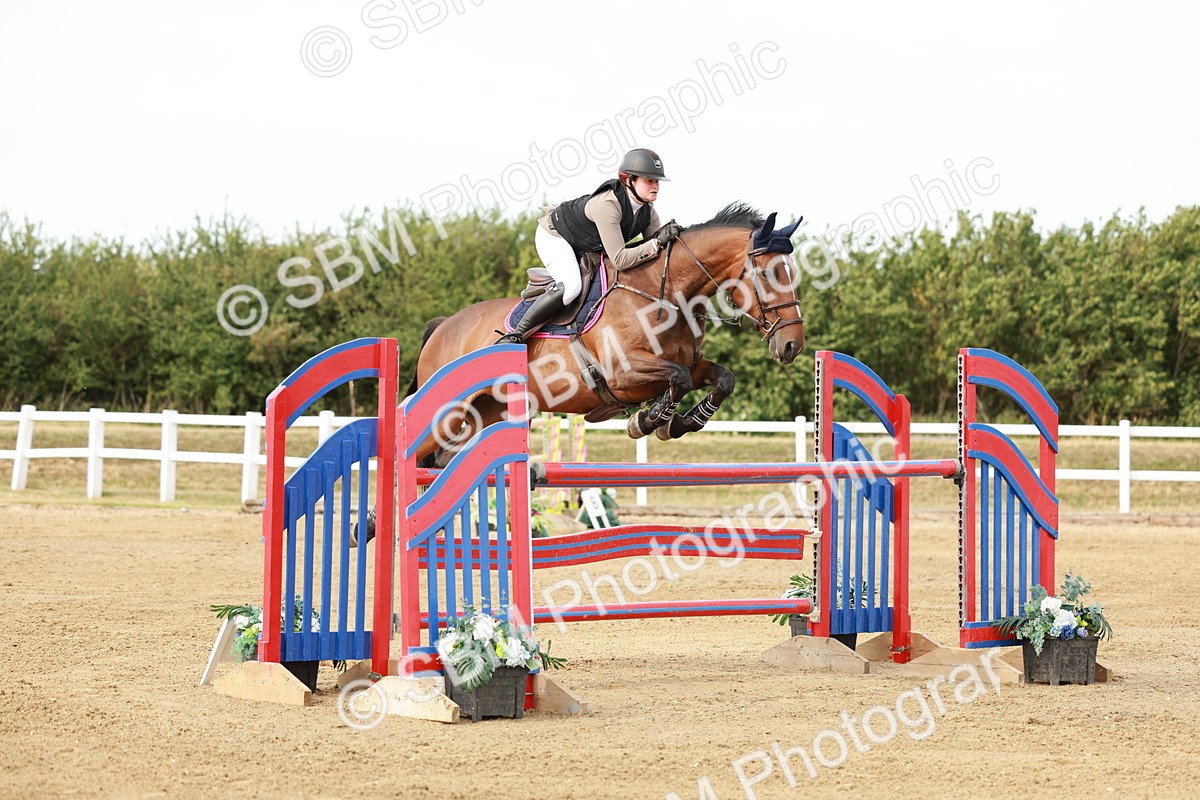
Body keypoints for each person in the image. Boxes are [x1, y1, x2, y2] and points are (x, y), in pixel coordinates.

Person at [497, 148, 684, 344]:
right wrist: (656, 243)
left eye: (657, 181)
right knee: (571, 288)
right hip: (554, 235)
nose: (655, 186)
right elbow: (621, 259)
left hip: (585, 244)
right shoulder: (608, 205)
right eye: (649, 181)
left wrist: (667, 238)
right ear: (628, 179)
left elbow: (654, 249)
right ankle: (516, 335)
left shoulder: (648, 211)